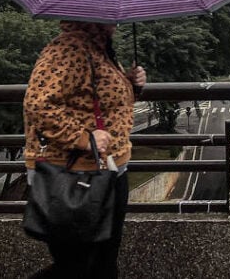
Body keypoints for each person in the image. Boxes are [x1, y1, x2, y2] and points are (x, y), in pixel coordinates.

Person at [23, 21, 146, 278]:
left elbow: (98, 100)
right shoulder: (69, 48)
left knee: (103, 262)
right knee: (77, 267)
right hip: (74, 175)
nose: (116, 20)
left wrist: (132, 85)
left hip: (108, 171)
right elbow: (38, 106)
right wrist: (82, 137)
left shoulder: (98, 48)